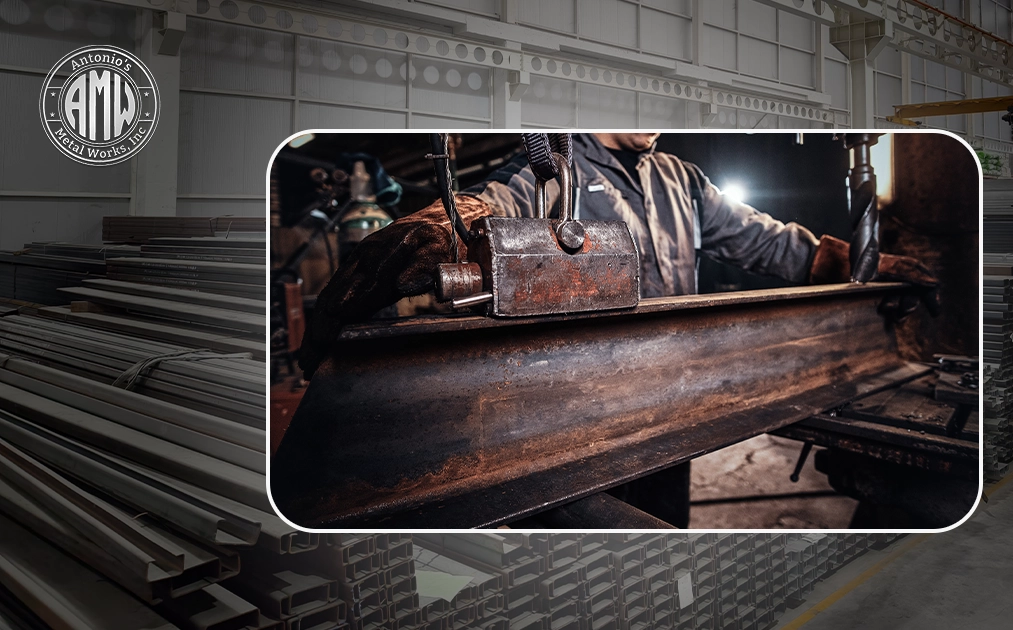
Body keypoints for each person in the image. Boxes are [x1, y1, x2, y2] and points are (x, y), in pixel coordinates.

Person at [297, 132, 939, 527]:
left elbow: (771, 246)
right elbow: (496, 209)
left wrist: (869, 263)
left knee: (663, 532)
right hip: (580, 419)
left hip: (678, 405)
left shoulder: (682, 180)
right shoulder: (554, 170)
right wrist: (446, 222)